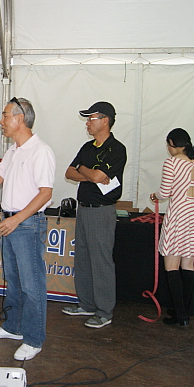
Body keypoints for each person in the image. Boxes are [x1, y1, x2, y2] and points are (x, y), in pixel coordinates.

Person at [0, 97, 55, 361]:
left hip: (27, 224)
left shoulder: (40, 151)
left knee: (32, 284)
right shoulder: (13, 151)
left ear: (19, 119)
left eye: (5, 116)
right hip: (10, 222)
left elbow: (45, 193)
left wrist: (17, 219)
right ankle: (13, 327)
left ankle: (34, 339)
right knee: (13, 280)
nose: (1, 122)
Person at [62, 101, 126, 329]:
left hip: (101, 211)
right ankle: (86, 304)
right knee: (83, 258)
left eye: (91, 118)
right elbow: (69, 172)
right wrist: (88, 173)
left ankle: (104, 311)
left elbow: (99, 177)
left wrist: (85, 170)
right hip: (84, 209)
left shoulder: (116, 149)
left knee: (100, 261)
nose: (88, 123)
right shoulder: (88, 147)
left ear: (105, 120)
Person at [149, 128, 194, 327]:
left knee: (171, 265)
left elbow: (165, 192)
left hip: (180, 214)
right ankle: (186, 309)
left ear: (172, 144)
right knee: (188, 265)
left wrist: (155, 196)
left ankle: (181, 314)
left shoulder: (172, 162)